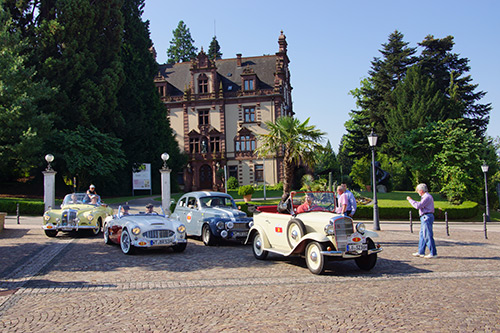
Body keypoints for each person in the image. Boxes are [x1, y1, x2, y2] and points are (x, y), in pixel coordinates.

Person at [407, 183, 437, 259]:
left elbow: (418, 206)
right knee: (422, 235)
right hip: (424, 217)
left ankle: (433, 253)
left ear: (421, 190)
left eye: (417, 190)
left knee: (427, 235)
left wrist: (410, 200)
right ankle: (421, 251)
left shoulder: (427, 197)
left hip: (426, 216)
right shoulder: (426, 197)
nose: (417, 192)